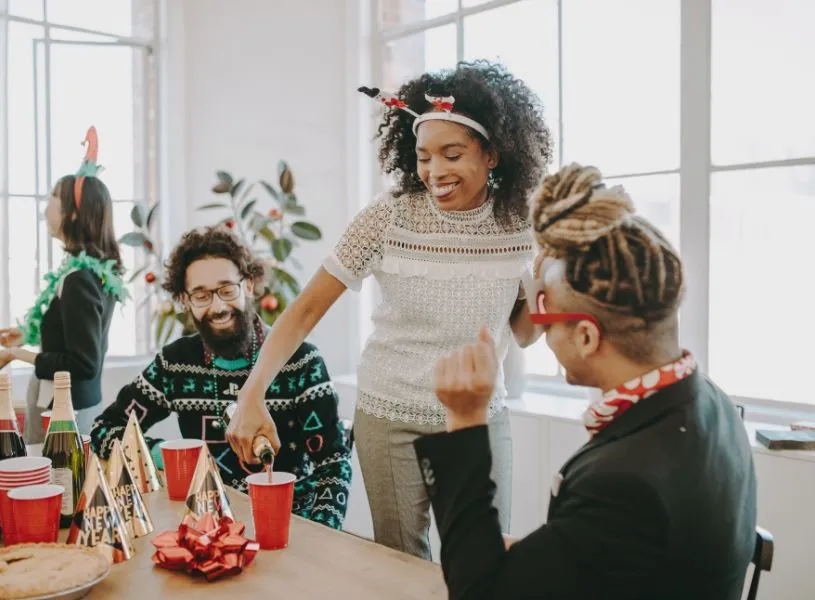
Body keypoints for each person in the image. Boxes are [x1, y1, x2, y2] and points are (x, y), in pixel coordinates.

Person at [226, 59, 553, 558]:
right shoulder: (387, 216)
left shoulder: (522, 223)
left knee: (484, 559)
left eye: (452, 153)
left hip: (481, 416)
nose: (435, 172)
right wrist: (252, 394)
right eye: (424, 156)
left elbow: (524, 335)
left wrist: (549, 280)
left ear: (491, 153)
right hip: (389, 415)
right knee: (402, 565)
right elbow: (306, 310)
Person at [414, 163, 757, 599]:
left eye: (545, 314)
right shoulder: (711, 402)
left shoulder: (625, 486)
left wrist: (465, 420)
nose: (539, 331)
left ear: (586, 335)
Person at [90, 226, 352, 529]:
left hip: (291, 522)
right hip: (207, 527)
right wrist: (173, 457)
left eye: (227, 290)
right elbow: (105, 429)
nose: (217, 307)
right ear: (184, 300)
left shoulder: (303, 362)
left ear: (249, 286)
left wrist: (319, 531)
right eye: (201, 295)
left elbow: (333, 463)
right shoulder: (175, 364)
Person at [0, 127, 127, 439]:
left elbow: (82, 363)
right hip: (67, 405)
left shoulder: (78, 280)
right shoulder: (89, 273)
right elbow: (73, 335)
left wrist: (16, 354)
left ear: (72, 215)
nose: (45, 209)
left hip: (64, 413)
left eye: (53, 199)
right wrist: (25, 335)